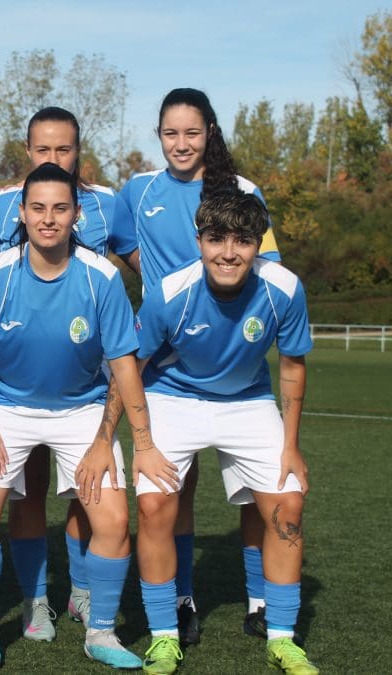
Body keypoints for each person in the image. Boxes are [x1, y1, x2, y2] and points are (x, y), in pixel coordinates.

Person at [0, 163, 167, 669]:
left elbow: (126, 370)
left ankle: (100, 633)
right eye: (38, 208)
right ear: (21, 212)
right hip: (7, 408)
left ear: (76, 215)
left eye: (60, 208)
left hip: (82, 409)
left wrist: (132, 442)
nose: (48, 218)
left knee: (114, 519)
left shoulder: (102, 277)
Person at [113, 87, 282, 644]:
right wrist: (164, 290)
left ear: (210, 131)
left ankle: (260, 600)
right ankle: (181, 599)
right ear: (157, 135)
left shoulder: (243, 191)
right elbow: (118, 242)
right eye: (170, 133)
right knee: (172, 493)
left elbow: (269, 272)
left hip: (238, 375)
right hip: (165, 373)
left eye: (192, 132)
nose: (181, 143)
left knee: (261, 495)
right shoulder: (138, 191)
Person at [0, 106, 140, 642]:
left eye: (63, 150)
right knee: (27, 495)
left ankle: (86, 592)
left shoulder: (108, 205)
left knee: (85, 498)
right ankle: (35, 599)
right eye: (43, 150)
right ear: (28, 152)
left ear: (78, 152)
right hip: (14, 380)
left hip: (84, 386)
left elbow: (142, 269)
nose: (54, 158)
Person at [132, 191, 317, 675]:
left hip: (247, 403)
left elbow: (293, 368)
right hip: (173, 398)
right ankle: (163, 636)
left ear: (259, 245)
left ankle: (281, 636)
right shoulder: (171, 292)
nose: (228, 252)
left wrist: (291, 445)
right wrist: (140, 443)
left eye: (243, 240)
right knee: (154, 504)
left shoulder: (284, 288)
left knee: (288, 502)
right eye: (216, 239)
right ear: (199, 241)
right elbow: (131, 366)